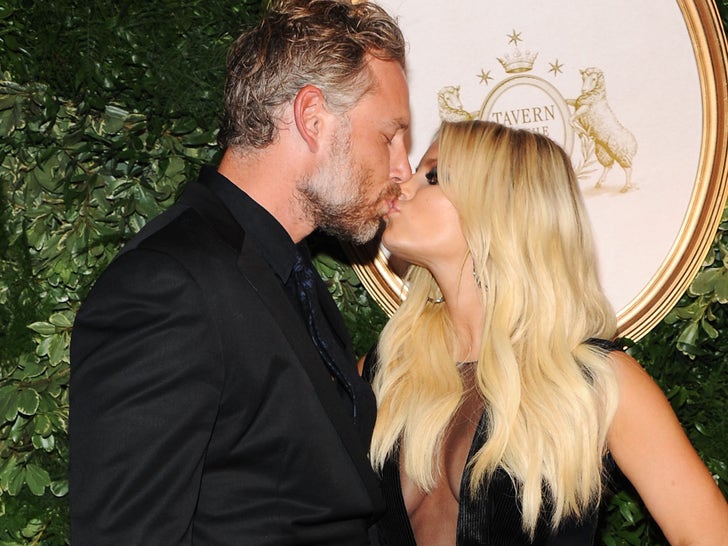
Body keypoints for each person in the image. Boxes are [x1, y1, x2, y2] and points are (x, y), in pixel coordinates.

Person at [70, 1, 411, 543]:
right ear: (312, 118)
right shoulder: (169, 287)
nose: (402, 168)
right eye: (389, 136)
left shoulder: (289, 272)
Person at [365, 120, 728, 545]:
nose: (402, 186)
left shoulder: (595, 381)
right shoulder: (386, 370)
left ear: (501, 209)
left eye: (433, 176)